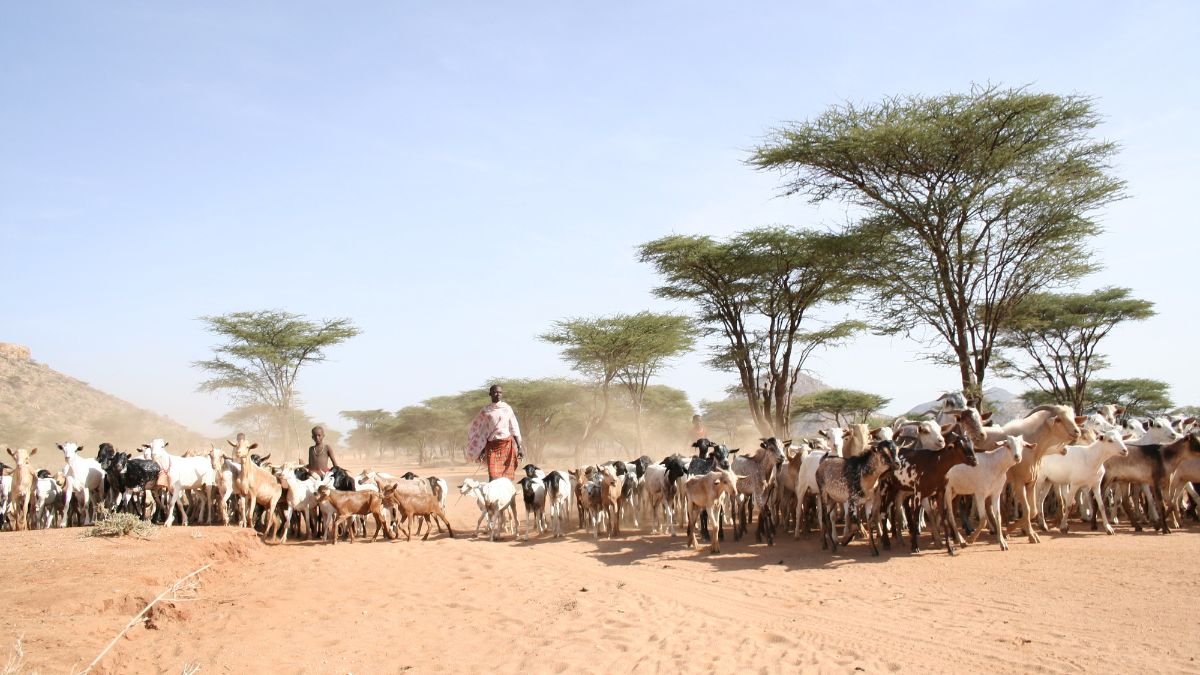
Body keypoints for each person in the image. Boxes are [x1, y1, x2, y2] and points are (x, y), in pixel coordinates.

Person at [466, 384, 524, 480]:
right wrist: (482, 449)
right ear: (490, 394)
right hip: (492, 446)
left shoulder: (507, 409)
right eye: (495, 392)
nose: (498, 394)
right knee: (492, 477)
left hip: (506, 445)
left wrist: (519, 447)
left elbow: (514, 428)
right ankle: (492, 495)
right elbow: (481, 431)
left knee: (506, 477)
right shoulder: (485, 411)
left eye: (500, 392)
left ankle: (507, 495)